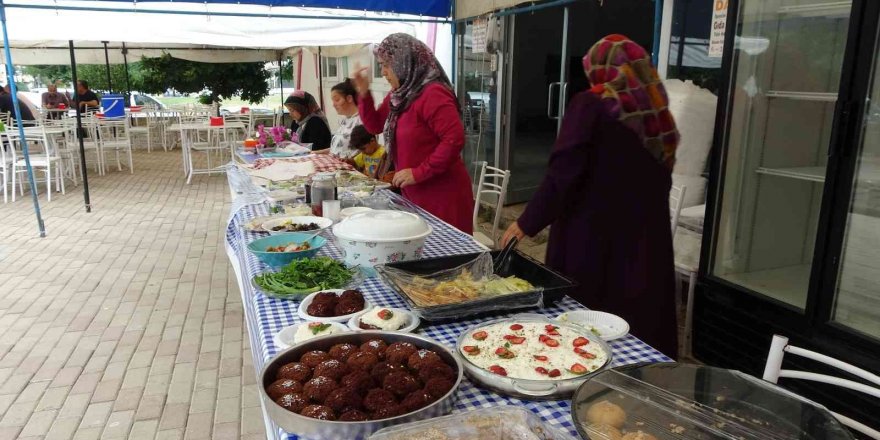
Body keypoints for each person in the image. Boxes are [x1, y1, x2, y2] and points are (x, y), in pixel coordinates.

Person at [501, 34, 680, 357]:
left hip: (593, 239)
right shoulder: (658, 117)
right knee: (637, 327)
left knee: (585, 329)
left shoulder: (591, 105)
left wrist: (527, 222)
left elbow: (563, 172)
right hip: (644, 244)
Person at [353, 33, 473, 234]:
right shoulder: (400, 95)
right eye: (381, 65)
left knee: (443, 258)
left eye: (386, 65)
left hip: (442, 196)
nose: (382, 72)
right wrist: (364, 93)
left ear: (404, 62)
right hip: (413, 193)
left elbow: (454, 140)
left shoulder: (432, 93)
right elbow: (374, 126)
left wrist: (419, 172)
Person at [321, 79, 362, 159]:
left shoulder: (362, 121)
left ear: (349, 98)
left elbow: (363, 153)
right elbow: (337, 150)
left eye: (337, 100)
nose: (333, 105)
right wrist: (315, 153)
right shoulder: (345, 120)